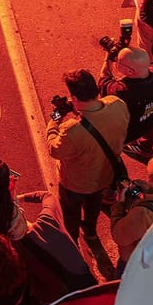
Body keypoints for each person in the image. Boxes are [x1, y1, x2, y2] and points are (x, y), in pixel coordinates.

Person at [46, 68, 129, 241]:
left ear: (75, 99)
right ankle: (91, 233)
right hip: (104, 177)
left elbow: (54, 149)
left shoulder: (73, 130)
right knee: (93, 208)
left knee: (70, 214)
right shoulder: (117, 104)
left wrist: (55, 118)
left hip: (75, 184)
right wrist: (80, 110)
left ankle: (72, 239)